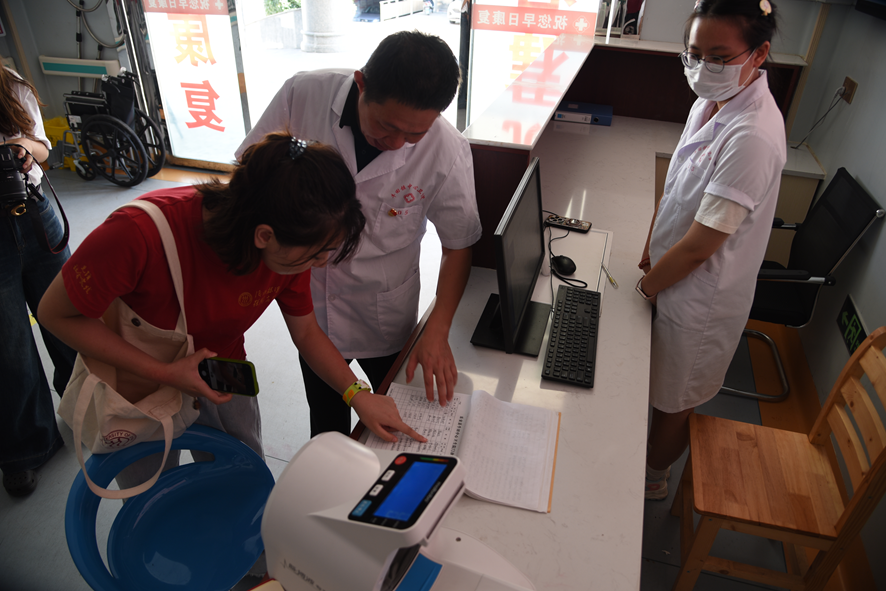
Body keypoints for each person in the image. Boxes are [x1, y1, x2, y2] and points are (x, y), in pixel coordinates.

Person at [39, 134, 425, 487]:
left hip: (221, 372)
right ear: (264, 236)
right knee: (151, 489)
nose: (322, 262)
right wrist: (165, 373)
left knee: (241, 477)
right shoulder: (138, 233)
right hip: (137, 378)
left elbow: (307, 333)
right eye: (317, 253)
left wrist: (357, 394)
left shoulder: (291, 248)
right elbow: (55, 314)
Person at [237, 32, 482, 437]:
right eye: (386, 126)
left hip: (385, 311)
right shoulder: (303, 94)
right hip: (309, 303)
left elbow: (458, 245)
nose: (396, 143)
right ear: (362, 83)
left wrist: (438, 328)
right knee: (327, 421)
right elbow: (251, 168)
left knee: (399, 420)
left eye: (414, 135)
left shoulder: (447, 149)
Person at [637, 0, 786, 500]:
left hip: (701, 297)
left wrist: (646, 287)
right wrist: (651, 245)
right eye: (695, 54)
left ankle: (652, 479)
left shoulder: (753, 135)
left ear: (758, 54)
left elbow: (702, 246)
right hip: (673, 272)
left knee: (673, 400)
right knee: (654, 382)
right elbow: (678, 183)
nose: (703, 68)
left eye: (719, 57)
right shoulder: (711, 103)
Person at [1, 66, 77, 497]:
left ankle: (84, 403)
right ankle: (28, 447)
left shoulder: (8, 83)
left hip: (32, 210)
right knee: (9, 347)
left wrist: (21, 149)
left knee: (69, 319)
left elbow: (43, 148)